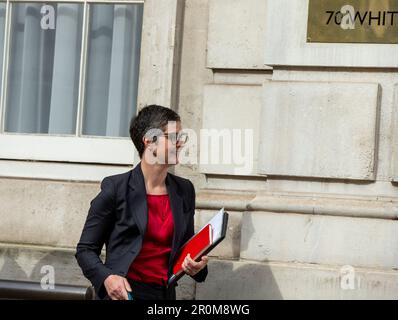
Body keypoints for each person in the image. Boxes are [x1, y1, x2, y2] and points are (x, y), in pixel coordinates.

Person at [75, 105, 208, 300]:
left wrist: (197, 266)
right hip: (124, 294)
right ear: (149, 141)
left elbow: (186, 248)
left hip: (165, 296)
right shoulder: (116, 188)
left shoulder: (184, 190)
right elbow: (85, 250)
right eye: (172, 137)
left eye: (182, 137)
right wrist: (108, 278)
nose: (180, 143)